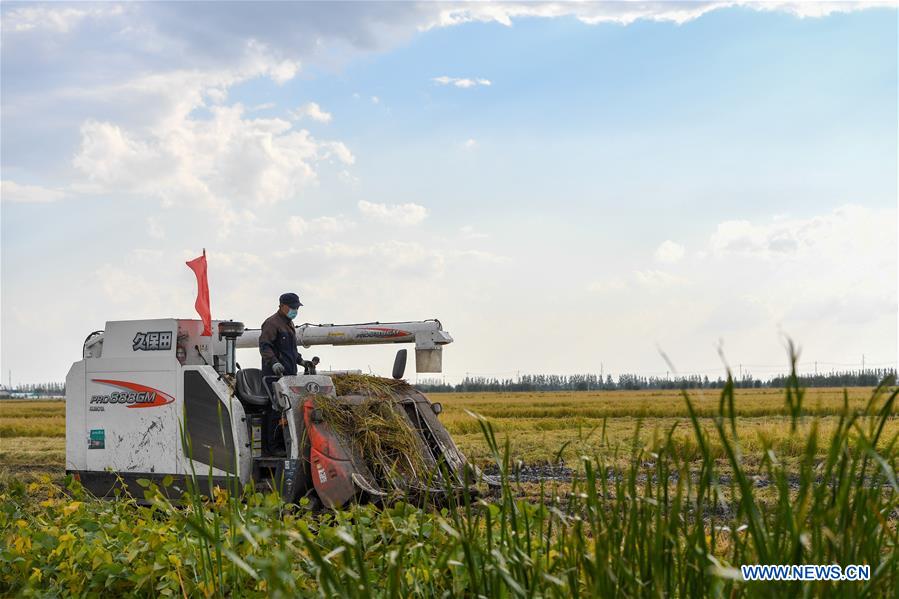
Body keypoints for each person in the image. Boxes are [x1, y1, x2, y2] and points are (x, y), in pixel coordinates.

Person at [259, 292, 304, 382]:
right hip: (275, 376)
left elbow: (290, 350)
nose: (295, 310)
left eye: (297, 308)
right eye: (292, 307)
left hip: (290, 375)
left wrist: (301, 361)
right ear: (282, 306)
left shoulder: (290, 324)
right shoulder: (271, 323)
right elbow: (265, 346)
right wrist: (274, 362)